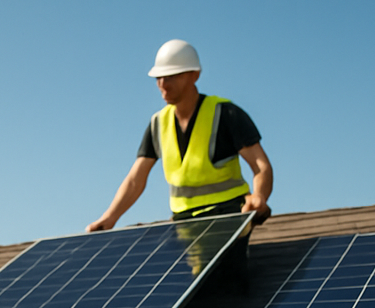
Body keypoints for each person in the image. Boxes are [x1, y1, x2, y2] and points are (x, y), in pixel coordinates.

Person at [87, 40, 273, 232]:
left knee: (223, 263)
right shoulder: (158, 124)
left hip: (228, 215)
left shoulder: (226, 114)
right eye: (159, 77)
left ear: (195, 75)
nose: (163, 84)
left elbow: (261, 165)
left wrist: (259, 196)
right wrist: (110, 217)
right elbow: (136, 180)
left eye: (171, 76)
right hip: (183, 221)